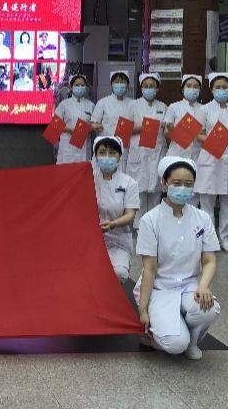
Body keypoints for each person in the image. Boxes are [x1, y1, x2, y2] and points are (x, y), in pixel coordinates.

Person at [135, 156, 220, 360]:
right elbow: (149, 269)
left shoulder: (202, 218)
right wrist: (142, 310)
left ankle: (192, 341)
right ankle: (162, 336)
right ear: (164, 183)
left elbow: (209, 260)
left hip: (189, 285)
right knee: (175, 345)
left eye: (188, 184)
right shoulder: (150, 220)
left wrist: (203, 286)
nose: (183, 188)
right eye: (177, 183)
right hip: (159, 287)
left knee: (209, 309)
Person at [194, 72, 228, 253]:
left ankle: (225, 239)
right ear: (211, 89)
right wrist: (213, 141)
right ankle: (209, 240)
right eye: (218, 87)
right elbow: (198, 133)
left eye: (225, 87)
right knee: (207, 203)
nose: (221, 90)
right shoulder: (203, 109)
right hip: (210, 159)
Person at [92, 136, 139, 281]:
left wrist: (113, 224)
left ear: (119, 156)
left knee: (118, 273)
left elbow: (130, 216)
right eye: (102, 152)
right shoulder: (88, 179)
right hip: (92, 239)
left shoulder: (129, 183)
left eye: (112, 153)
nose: (107, 157)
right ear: (95, 155)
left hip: (119, 239)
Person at [124, 73, 167, 221]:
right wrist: (144, 127)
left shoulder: (163, 106)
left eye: (152, 86)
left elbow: (167, 129)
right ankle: (138, 224)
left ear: (157, 88)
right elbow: (124, 130)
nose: (149, 89)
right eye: (146, 86)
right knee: (139, 192)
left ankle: (153, 224)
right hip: (139, 153)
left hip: (157, 153)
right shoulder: (133, 105)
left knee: (156, 192)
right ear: (141, 88)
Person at [53, 74, 94, 164]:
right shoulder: (64, 104)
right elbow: (54, 125)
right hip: (67, 147)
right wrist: (70, 130)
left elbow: (95, 124)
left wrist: (91, 128)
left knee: (82, 170)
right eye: (77, 85)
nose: (80, 87)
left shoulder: (91, 105)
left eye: (82, 85)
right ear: (71, 87)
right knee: (66, 171)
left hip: (84, 147)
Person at [164, 74, 203, 161]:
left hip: (196, 156)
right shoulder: (173, 107)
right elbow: (166, 132)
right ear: (182, 89)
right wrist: (172, 129)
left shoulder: (204, 109)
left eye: (196, 87)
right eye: (188, 86)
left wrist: (195, 132)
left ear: (199, 90)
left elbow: (204, 133)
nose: (192, 89)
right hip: (176, 154)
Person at [91, 72, 134, 148]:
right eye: (116, 82)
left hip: (126, 146)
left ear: (127, 84)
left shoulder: (133, 103)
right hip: (107, 144)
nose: (119, 85)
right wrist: (95, 126)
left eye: (122, 82)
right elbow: (94, 122)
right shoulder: (103, 102)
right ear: (111, 84)